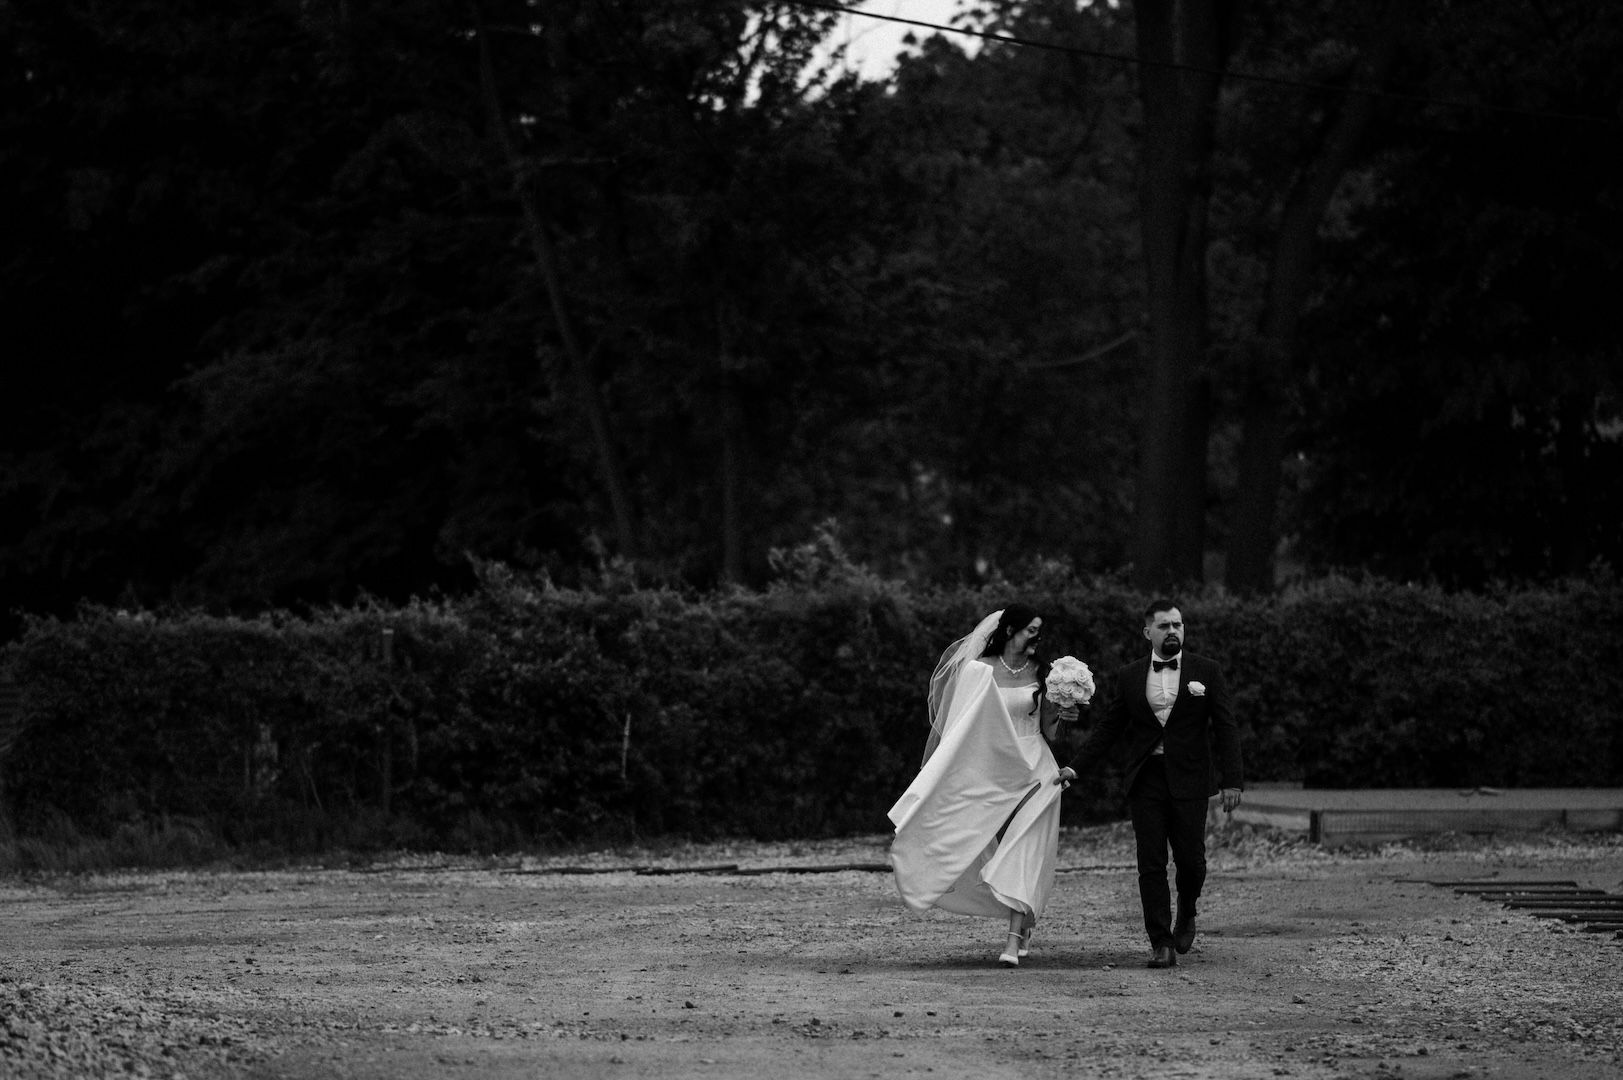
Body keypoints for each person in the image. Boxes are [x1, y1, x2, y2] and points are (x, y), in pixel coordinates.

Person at [1054, 599, 1243, 968]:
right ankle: (1161, 942)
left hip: (1190, 778)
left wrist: (1232, 781)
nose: (1172, 631)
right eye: (1164, 626)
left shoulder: (1207, 670)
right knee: (1151, 863)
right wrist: (1074, 768)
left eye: (1177, 625)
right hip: (1146, 779)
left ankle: (1187, 910)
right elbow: (1109, 728)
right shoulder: (1130, 675)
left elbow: (1226, 726)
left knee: (1191, 862)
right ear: (1147, 632)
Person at [889, 606, 1070, 967]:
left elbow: (1049, 732)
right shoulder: (978, 670)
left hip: (1038, 767)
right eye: (1030, 630)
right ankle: (1021, 917)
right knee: (973, 835)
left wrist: (1061, 712)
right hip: (993, 767)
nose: (1037, 637)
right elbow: (959, 730)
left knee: (1022, 845)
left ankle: (1014, 937)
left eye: (1039, 630)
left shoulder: (1044, 673)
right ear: (1010, 631)